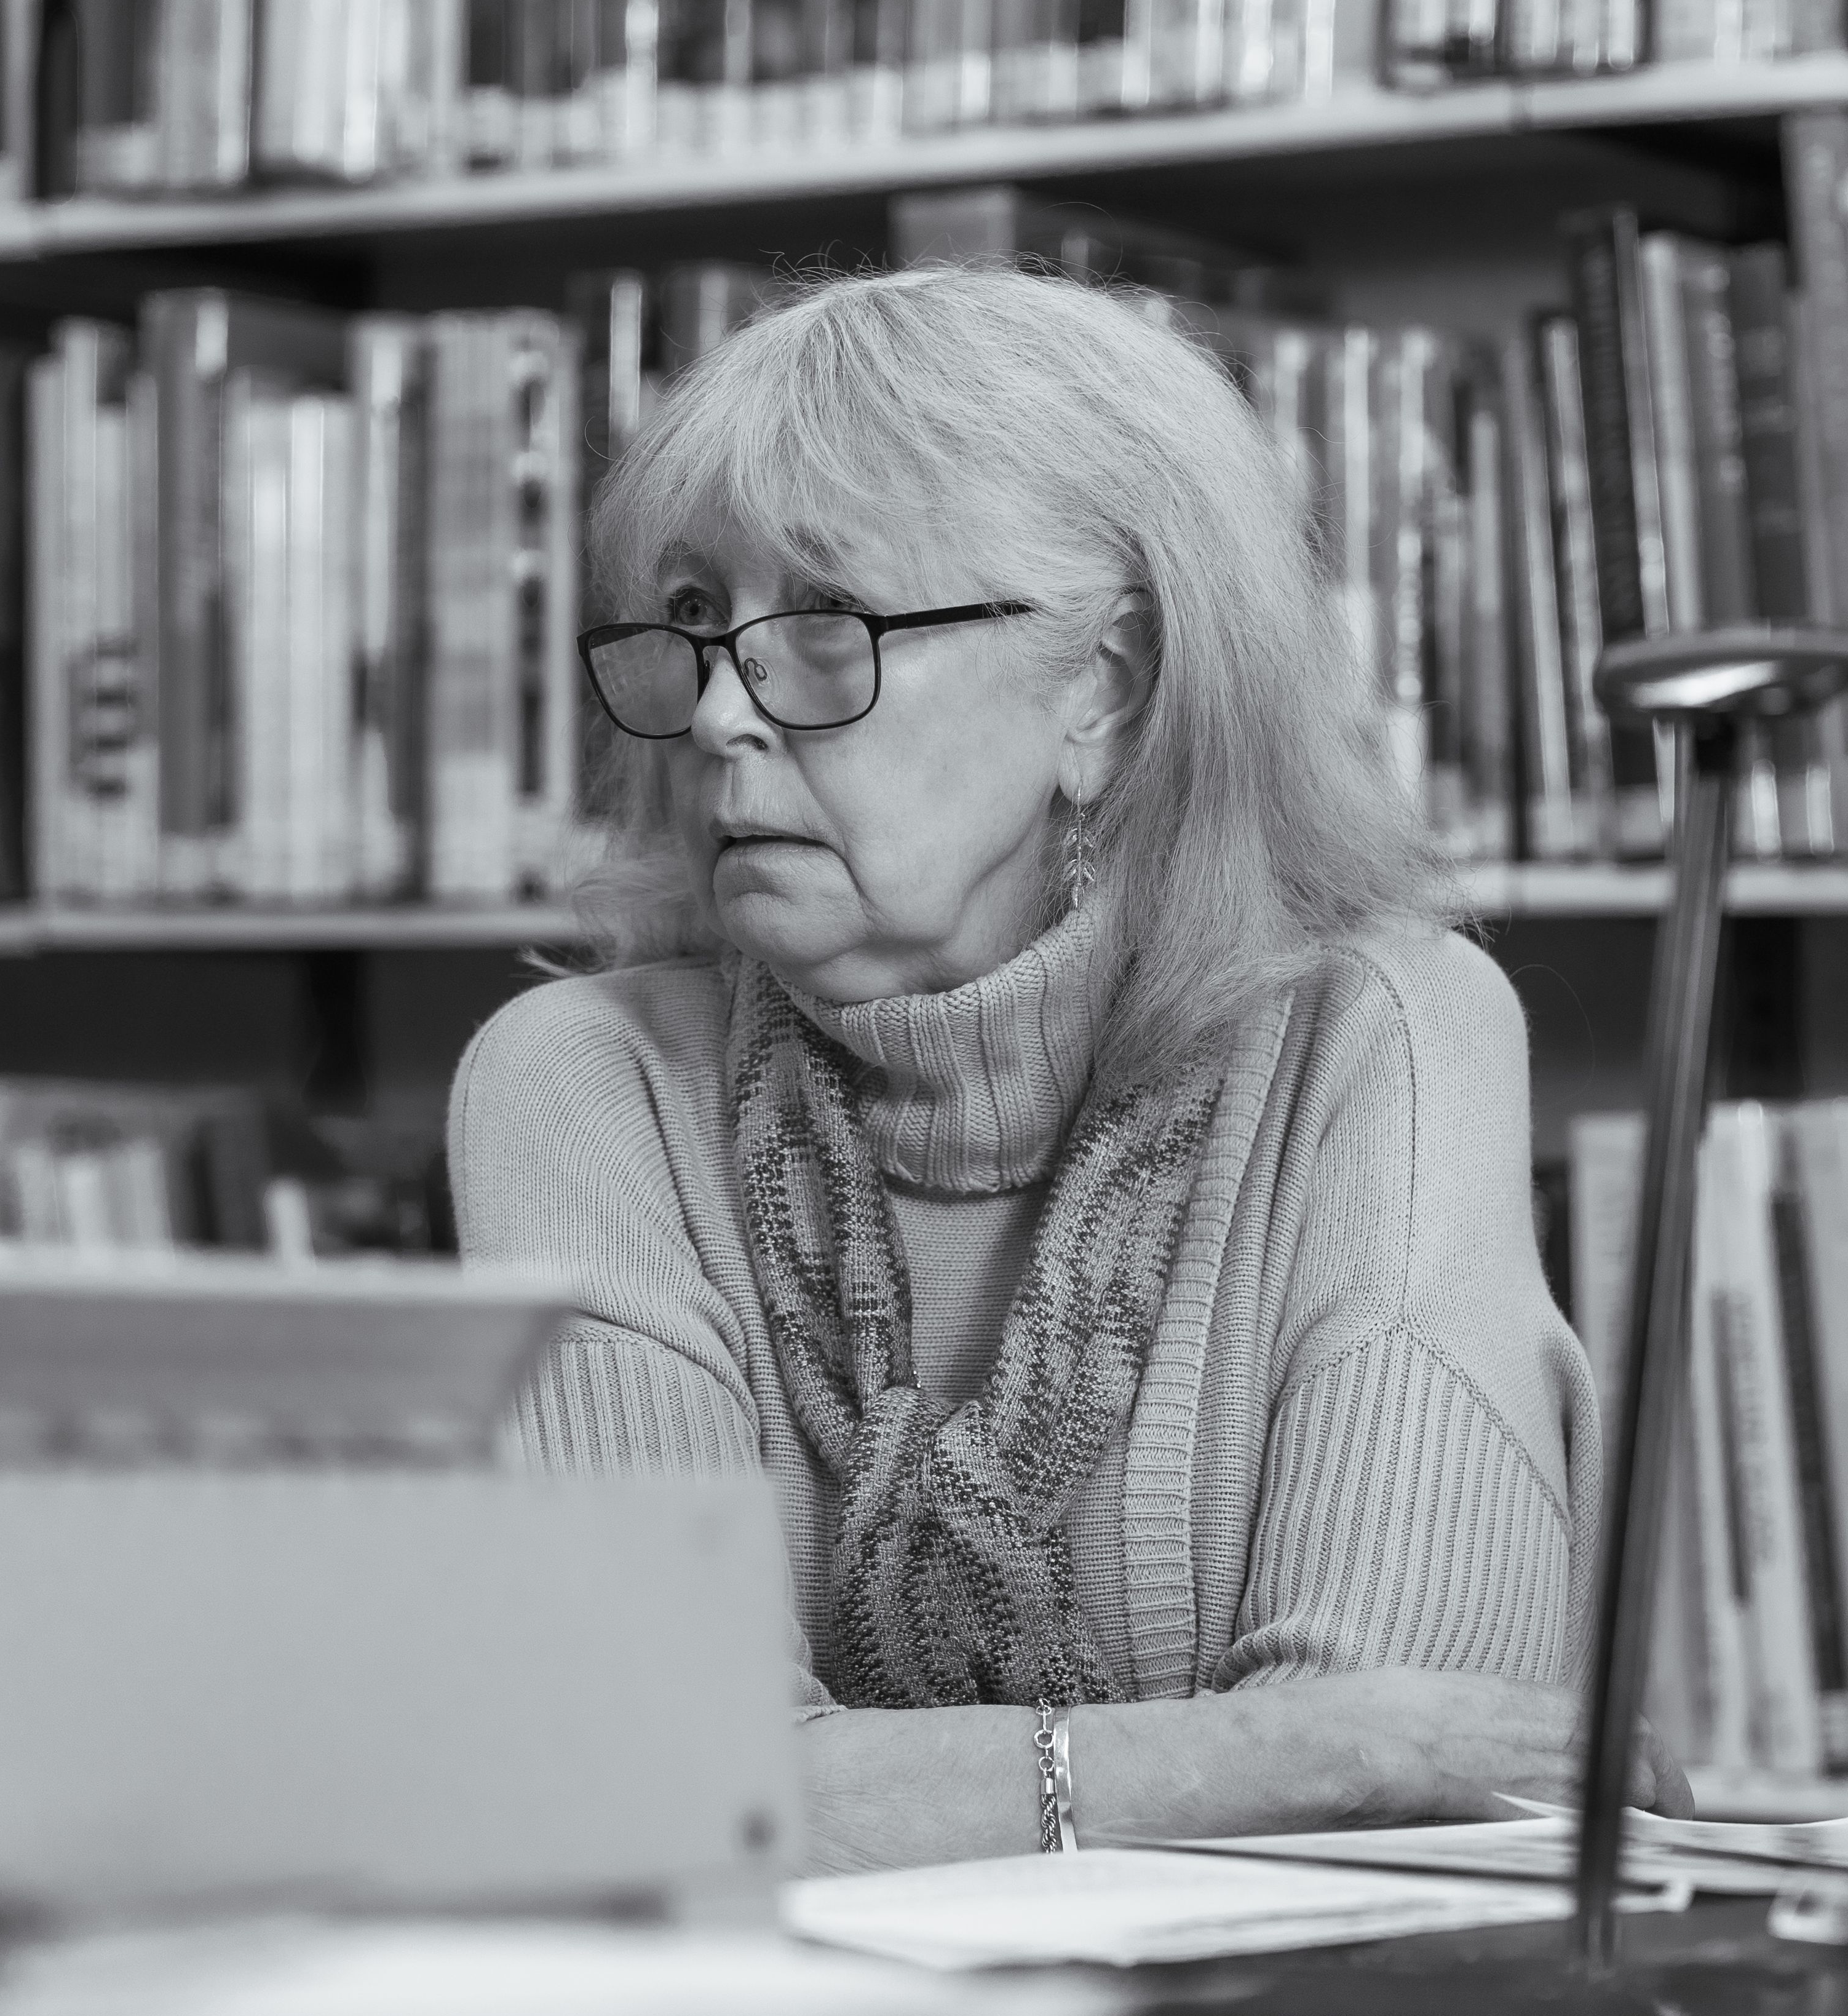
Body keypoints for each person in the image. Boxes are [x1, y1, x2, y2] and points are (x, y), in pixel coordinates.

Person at [447, 264, 1642, 1872]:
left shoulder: (1385, 1031)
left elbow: (1422, 1777)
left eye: (821, 627)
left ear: (1108, 688)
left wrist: (865, 1795)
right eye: (691, 626)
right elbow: (652, 1797)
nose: (725, 713)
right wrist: (1256, 1757)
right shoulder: (578, 1084)